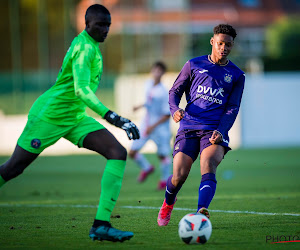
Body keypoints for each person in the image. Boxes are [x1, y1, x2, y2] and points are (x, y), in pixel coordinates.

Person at [0, 4, 139, 242]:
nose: (105, 29)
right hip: (49, 116)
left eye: (108, 25)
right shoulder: (85, 48)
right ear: (87, 25)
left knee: (116, 152)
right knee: (14, 168)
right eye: (100, 25)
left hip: (74, 117)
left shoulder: (91, 45)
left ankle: (101, 226)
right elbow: (81, 89)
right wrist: (112, 116)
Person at [157, 24, 245, 226]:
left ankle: (200, 212)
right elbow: (174, 92)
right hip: (188, 127)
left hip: (214, 131)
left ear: (232, 46)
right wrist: (174, 109)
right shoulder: (193, 64)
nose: (223, 48)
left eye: (228, 45)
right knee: (178, 176)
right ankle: (168, 203)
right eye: (220, 43)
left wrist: (221, 131)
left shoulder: (237, 75)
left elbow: (232, 107)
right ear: (213, 42)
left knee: (208, 165)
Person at [129, 62, 171, 190]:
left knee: (162, 155)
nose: (157, 73)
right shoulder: (148, 84)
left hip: (160, 129)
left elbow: (166, 114)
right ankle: (147, 168)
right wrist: (140, 106)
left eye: (160, 71)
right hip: (146, 125)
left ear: (163, 73)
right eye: (155, 70)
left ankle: (165, 181)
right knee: (132, 152)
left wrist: (152, 127)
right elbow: (149, 101)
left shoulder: (164, 92)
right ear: (152, 71)